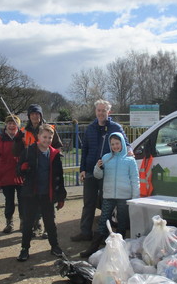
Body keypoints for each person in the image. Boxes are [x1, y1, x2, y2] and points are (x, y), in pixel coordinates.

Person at [71, 99, 132, 243]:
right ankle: (85, 232)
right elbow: (84, 149)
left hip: (109, 172)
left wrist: (130, 151)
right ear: (95, 111)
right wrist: (82, 170)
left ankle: (104, 234)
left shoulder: (116, 127)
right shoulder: (90, 128)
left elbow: (127, 144)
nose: (101, 113)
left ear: (108, 112)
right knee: (88, 203)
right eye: (98, 110)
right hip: (91, 171)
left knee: (107, 205)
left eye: (103, 110)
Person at [80, 132, 139, 257]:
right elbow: (98, 176)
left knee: (122, 223)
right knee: (103, 221)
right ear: (110, 145)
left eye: (117, 143)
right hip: (108, 195)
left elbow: (135, 179)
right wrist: (98, 168)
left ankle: (120, 250)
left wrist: (135, 197)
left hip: (124, 196)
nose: (115, 146)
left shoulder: (130, 160)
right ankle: (93, 247)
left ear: (122, 143)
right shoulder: (106, 158)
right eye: (112, 144)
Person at [16, 124, 66, 262]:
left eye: (50, 137)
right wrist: (23, 168)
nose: (47, 140)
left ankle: (54, 246)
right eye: (44, 137)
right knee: (28, 223)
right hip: (31, 194)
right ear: (38, 136)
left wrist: (61, 196)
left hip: (47, 194)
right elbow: (18, 169)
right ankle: (24, 249)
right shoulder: (28, 151)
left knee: (50, 222)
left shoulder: (55, 154)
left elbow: (59, 177)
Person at [19, 104, 63, 238]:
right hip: (32, 170)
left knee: (48, 201)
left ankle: (48, 228)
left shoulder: (50, 129)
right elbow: (18, 151)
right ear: (29, 115)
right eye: (32, 114)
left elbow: (58, 146)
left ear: (41, 115)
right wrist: (17, 139)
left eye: (37, 114)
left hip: (47, 169)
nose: (35, 116)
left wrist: (54, 160)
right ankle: (35, 225)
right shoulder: (23, 131)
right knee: (34, 200)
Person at [0, 114, 24, 233]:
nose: (11, 125)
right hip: (5, 175)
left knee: (23, 201)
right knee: (9, 201)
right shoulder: (0, 139)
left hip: (20, 175)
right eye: (9, 123)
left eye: (14, 123)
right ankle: (9, 223)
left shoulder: (22, 138)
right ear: (6, 125)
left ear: (18, 126)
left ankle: (23, 221)